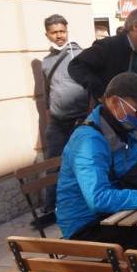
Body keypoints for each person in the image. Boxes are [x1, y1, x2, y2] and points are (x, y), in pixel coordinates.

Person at [55, 73, 137, 252]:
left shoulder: (124, 128)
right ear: (114, 102)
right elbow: (98, 198)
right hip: (86, 227)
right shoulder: (89, 140)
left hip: (115, 214)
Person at [68, 7, 137, 122]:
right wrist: (102, 93)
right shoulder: (109, 46)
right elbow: (76, 66)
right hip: (113, 126)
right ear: (136, 27)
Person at [41, 14, 88, 214]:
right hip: (58, 121)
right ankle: (50, 207)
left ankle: (85, 200)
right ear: (47, 35)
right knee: (53, 163)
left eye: (62, 31)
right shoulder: (46, 61)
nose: (59, 35)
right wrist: (47, 113)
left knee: (83, 161)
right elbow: (46, 89)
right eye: (54, 32)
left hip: (80, 118)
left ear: (67, 31)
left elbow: (92, 84)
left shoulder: (80, 55)